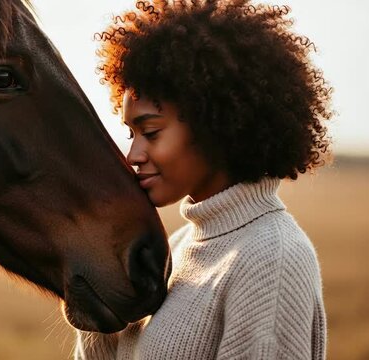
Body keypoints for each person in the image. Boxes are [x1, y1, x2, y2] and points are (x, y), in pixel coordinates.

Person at [75, 0, 332, 358]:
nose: (132, 156)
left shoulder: (272, 260)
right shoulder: (175, 250)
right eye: (131, 134)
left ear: (215, 123)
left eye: (150, 132)